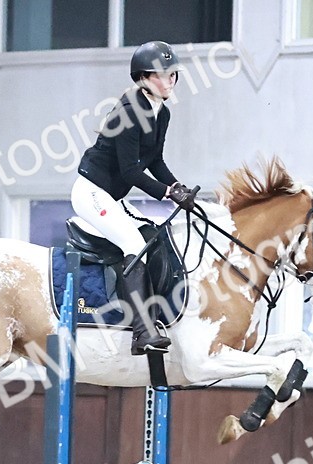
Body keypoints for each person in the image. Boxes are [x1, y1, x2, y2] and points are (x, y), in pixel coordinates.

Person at [73, 40, 196, 355]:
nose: (169, 82)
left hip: (109, 197)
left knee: (149, 235)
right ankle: (142, 333)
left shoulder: (161, 113)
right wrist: (166, 193)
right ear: (142, 77)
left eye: (173, 76)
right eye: (162, 75)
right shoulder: (129, 111)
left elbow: (154, 162)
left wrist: (178, 186)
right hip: (91, 193)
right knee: (133, 243)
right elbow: (130, 172)